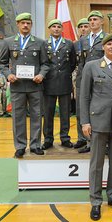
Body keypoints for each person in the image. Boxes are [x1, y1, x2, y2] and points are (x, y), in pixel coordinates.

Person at [80, 34, 112, 221]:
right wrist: (85, 122)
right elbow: (84, 96)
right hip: (98, 123)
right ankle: (95, 201)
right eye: (109, 44)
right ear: (103, 47)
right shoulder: (91, 66)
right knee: (96, 164)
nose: (111, 47)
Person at [0, 12, 50, 158]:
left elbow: (45, 64)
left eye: (28, 23)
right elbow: (2, 63)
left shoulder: (40, 42)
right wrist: (8, 74)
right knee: (18, 117)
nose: (25, 25)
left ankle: (35, 145)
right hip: (17, 86)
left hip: (35, 86)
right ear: (18, 24)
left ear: (31, 24)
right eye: (22, 23)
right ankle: (20, 146)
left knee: (36, 116)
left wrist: (41, 74)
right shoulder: (8, 42)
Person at [75, 10, 108, 153]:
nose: (93, 22)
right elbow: (80, 62)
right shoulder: (82, 40)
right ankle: (89, 142)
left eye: (95, 19)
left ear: (102, 21)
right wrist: (80, 80)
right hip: (86, 80)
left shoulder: (107, 38)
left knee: (102, 111)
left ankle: (104, 143)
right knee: (86, 110)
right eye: (91, 20)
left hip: (103, 80)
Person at [42, 19, 76, 150]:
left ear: (62, 29)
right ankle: (48, 139)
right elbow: (43, 62)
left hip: (64, 82)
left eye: (58, 27)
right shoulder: (44, 44)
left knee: (65, 113)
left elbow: (72, 63)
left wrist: (64, 74)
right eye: (53, 26)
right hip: (48, 83)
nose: (56, 29)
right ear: (49, 29)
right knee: (48, 113)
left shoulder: (68, 44)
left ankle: (65, 138)